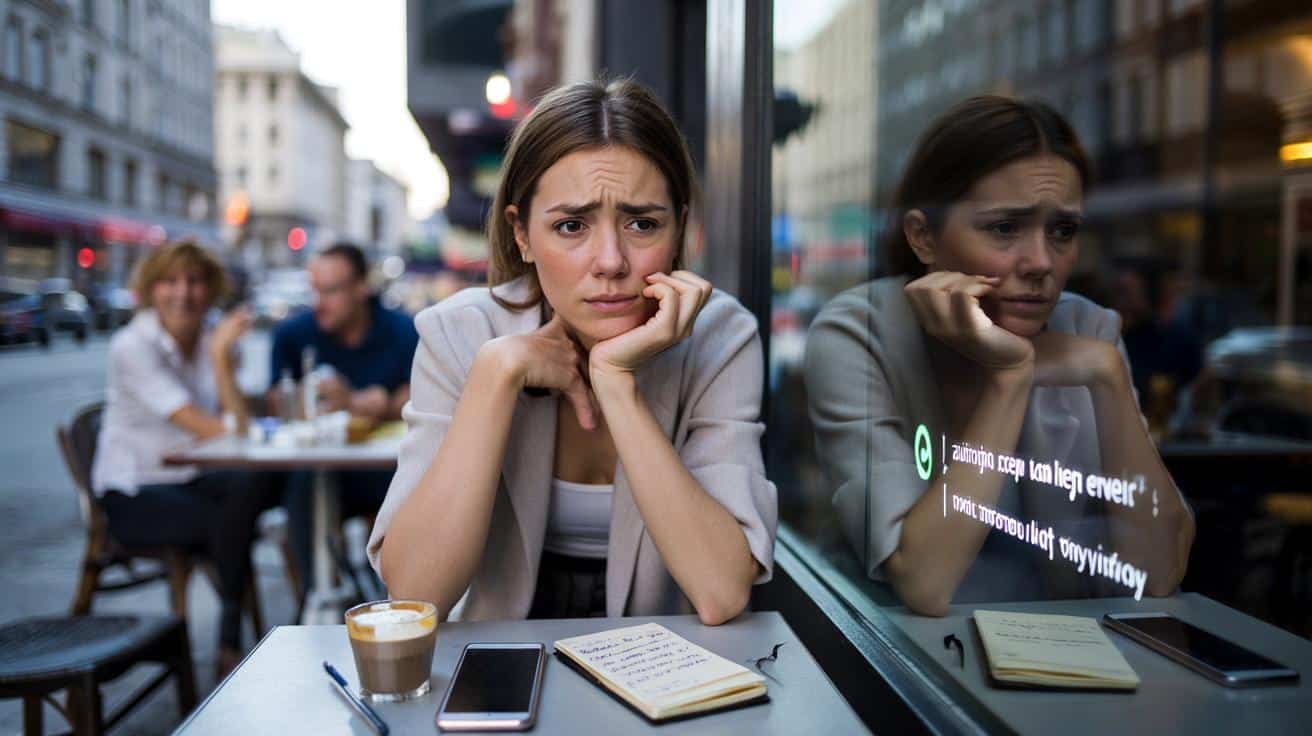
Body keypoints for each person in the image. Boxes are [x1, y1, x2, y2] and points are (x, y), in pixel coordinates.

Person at [369, 78, 777, 624]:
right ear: (521, 235)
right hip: (498, 667)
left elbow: (722, 590)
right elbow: (414, 597)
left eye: (642, 223)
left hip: (657, 672)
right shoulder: (461, 334)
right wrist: (496, 374)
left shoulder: (720, 336)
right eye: (570, 225)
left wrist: (616, 382)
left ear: (680, 228)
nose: (610, 260)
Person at [805, 96, 1195, 616]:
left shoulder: (1088, 332)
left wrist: (1108, 377)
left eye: (1063, 231)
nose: (1041, 263)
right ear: (923, 237)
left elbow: (1158, 574)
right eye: (1004, 228)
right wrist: (1010, 377)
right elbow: (924, 583)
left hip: (1066, 659)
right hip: (902, 663)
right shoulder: (861, 332)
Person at [91, 240, 276, 673]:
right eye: (169, 281)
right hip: (134, 493)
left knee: (252, 488)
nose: (183, 292)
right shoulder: (131, 346)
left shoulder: (212, 338)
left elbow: (240, 427)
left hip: (188, 482)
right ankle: (230, 639)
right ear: (151, 289)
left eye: (194, 281)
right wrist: (219, 357)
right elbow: (214, 429)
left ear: (209, 288)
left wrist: (221, 360)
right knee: (231, 517)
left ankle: (236, 639)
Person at [268, 242, 419, 602]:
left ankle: (399, 602)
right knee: (303, 491)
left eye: (331, 290)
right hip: (321, 469)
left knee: (411, 495)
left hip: (386, 470)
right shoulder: (293, 335)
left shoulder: (401, 330)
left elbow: (422, 393)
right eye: (315, 290)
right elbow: (276, 402)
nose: (320, 302)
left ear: (360, 288)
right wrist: (310, 399)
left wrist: (365, 402)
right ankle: (320, 601)